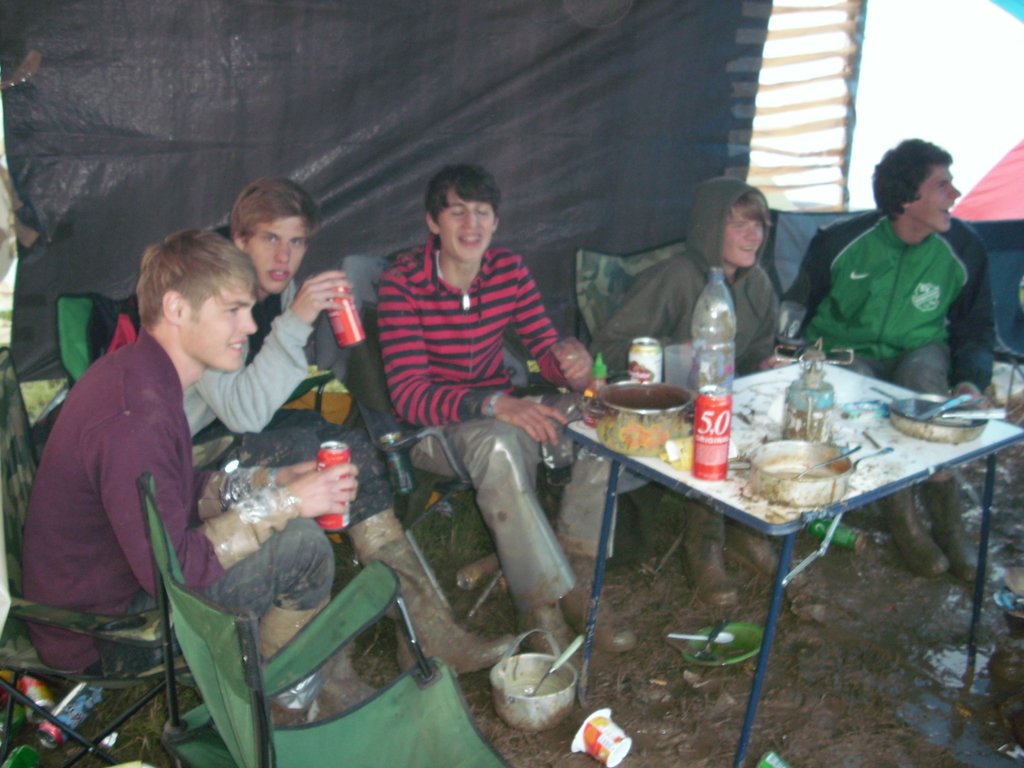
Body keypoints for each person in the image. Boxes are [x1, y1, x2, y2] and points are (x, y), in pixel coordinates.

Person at [22, 230, 358, 717]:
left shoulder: (143, 375)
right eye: (233, 310)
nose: (249, 326)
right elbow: (174, 574)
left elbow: (175, 491)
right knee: (304, 549)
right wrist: (286, 504)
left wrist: (271, 483)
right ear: (177, 309)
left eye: (249, 309)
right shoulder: (134, 417)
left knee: (288, 522)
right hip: (103, 633)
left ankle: (278, 680)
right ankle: (277, 702)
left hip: (105, 592)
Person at [185, 177, 511, 673]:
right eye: (270, 238)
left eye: (297, 242)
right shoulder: (211, 289)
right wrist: (296, 320)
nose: (284, 256)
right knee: (315, 448)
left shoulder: (274, 289)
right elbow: (243, 413)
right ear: (240, 239)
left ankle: (424, 626)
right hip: (189, 451)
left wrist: (307, 319)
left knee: (348, 444)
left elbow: (266, 394)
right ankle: (401, 632)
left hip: (235, 430)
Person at [376, 164, 636, 653]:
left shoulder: (508, 271)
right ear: (433, 222)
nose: (471, 224)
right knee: (497, 444)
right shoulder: (402, 285)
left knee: (599, 419)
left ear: (496, 222)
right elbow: (409, 395)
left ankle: (579, 576)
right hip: (434, 428)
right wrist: (493, 403)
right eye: (457, 212)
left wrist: (570, 365)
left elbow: (544, 349)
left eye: (482, 213)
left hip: (502, 406)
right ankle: (539, 605)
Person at [784, 138, 994, 581]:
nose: (955, 194)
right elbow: (796, 310)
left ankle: (950, 528)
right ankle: (906, 525)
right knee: (865, 398)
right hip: (845, 352)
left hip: (918, 350)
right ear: (908, 198)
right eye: (942, 185)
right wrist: (786, 352)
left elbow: (976, 329)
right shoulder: (839, 242)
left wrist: (971, 380)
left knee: (925, 388)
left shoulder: (963, 249)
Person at [592, 176, 779, 607]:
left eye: (759, 225)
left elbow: (755, 352)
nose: (753, 236)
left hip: (726, 400)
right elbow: (607, 347)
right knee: (708, 430)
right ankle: (704, 548)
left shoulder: (758, 285)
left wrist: (765, 364)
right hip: (668, 408)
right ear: (710, 228)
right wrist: (675, 350)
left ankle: (748, 532)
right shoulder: (676, 277)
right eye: (739, 225)